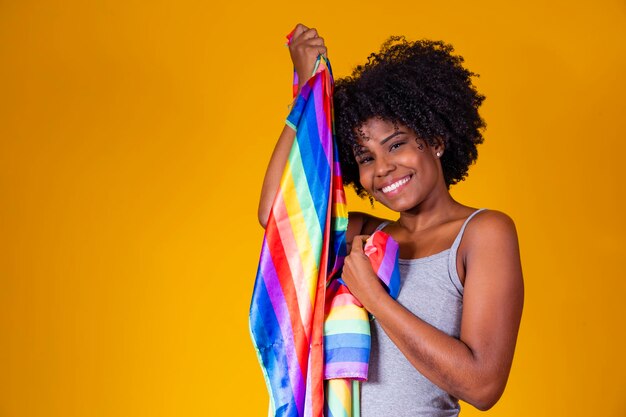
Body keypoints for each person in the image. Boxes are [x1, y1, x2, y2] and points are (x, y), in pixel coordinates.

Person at [258, 23, 524, 417]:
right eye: (366, 157)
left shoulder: (483, 233)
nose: (382, 168)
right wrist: (306, 96)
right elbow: (278, 213)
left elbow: (483, 385)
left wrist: (374, 297)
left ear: (435, 140)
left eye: (395, 144)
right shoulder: (366, 234)